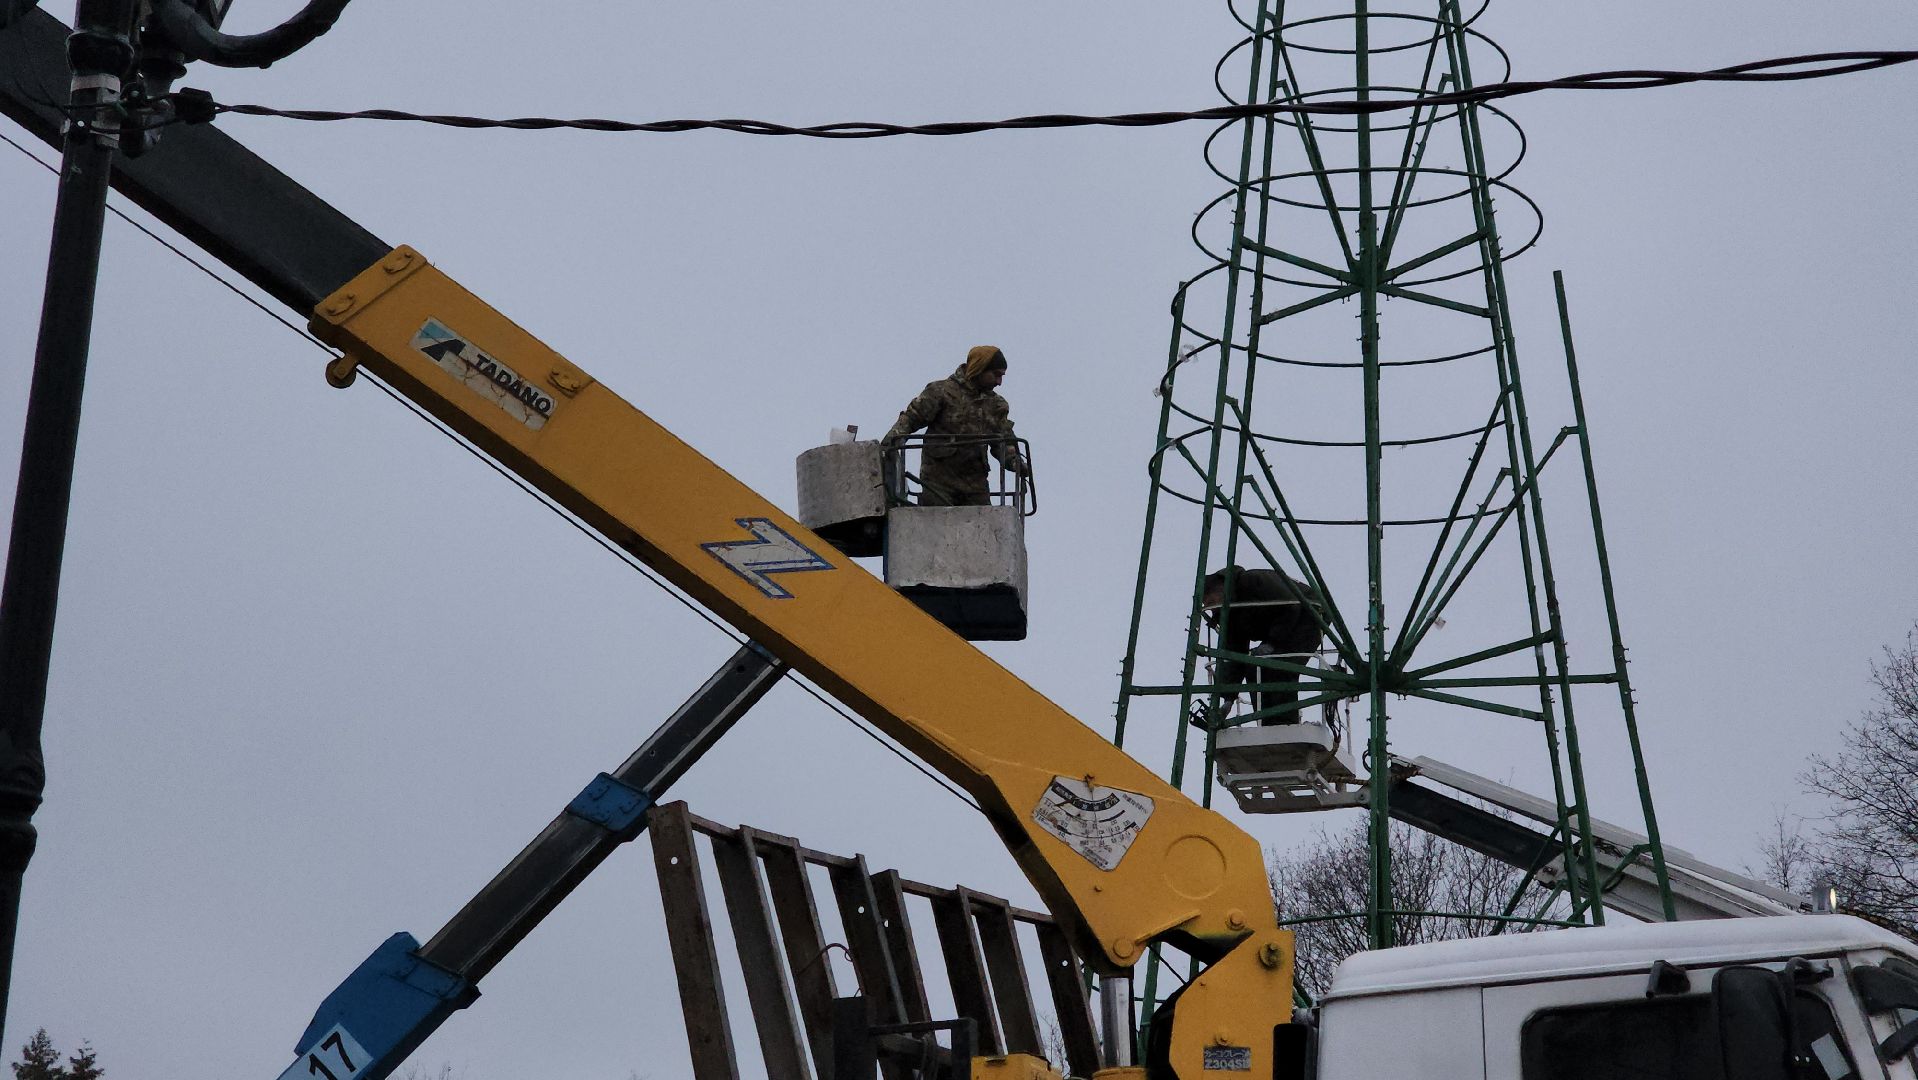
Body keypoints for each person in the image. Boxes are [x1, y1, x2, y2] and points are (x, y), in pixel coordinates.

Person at [884, 345, 1027, 507]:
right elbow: (911, 419)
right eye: (996, 375)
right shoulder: (941, 392)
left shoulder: (996, 405)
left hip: (975, 486)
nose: (999, 382)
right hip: (938, 483)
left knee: (982, 528)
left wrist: (1014, 462)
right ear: (980, 368)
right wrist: (889, 443)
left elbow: (1004, 441)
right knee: (935, 526)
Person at [1201, 565, 1326, 725]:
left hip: (1309, 613)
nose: (1213, 609)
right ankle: (1266, 723)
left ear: (1220, 589)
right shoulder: (1228, 614)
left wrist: (1272, 643)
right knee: (1254, 666)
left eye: (1212, 601)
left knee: (1281, 666)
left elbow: (1291, 605)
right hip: (1282, 625)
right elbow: (1233, 656)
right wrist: (1228, 699)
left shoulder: (1253, 580)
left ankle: (1286, 724)